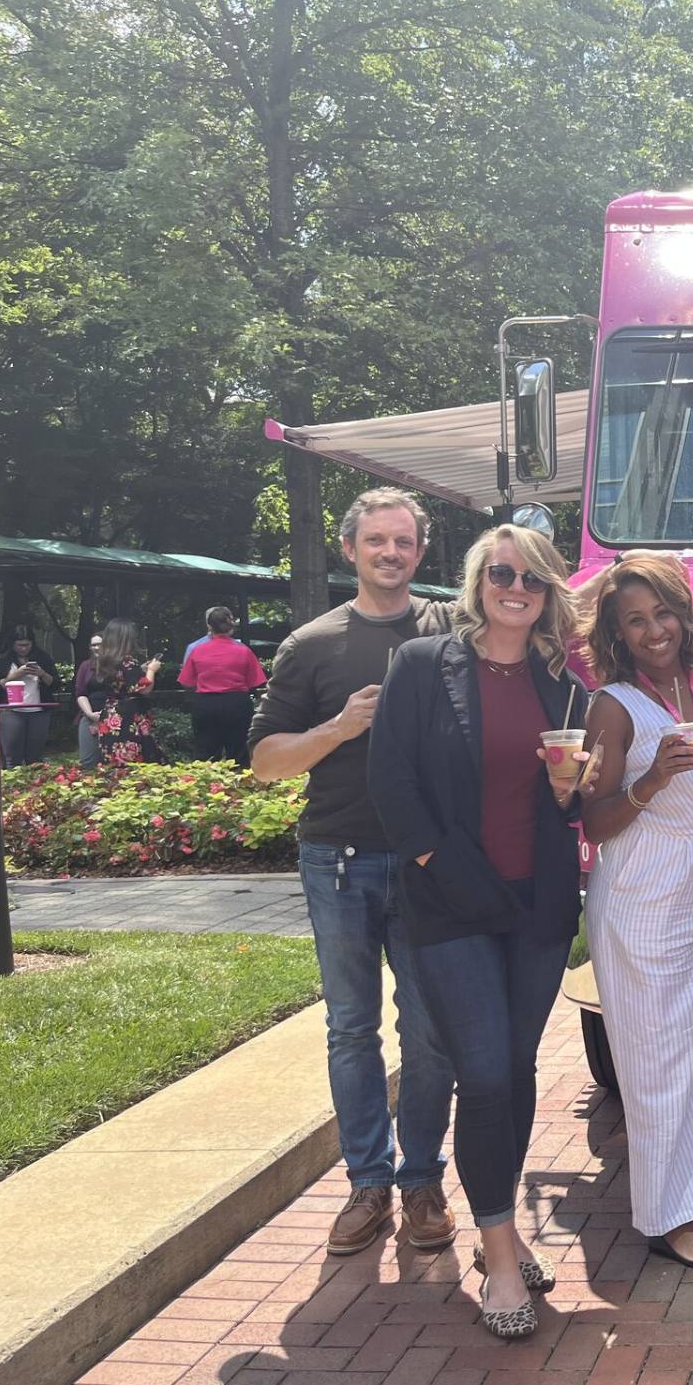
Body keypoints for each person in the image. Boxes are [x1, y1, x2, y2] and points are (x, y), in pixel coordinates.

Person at [368, 523, 595, 1340]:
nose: (517, 588)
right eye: (503, 573)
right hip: (451, 900)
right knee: (486, 1073)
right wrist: (435, 857)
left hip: (536, 905)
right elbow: (390, 780)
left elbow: (566, 807)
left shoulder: (563, 686)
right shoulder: (425, 666)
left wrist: (571, 790)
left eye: (533, 578)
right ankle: (500, 1256)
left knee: (520, 1068)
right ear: (478, 581)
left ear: (548, 594)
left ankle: (503, 1223)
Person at [249, 489, 456, 1261]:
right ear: (350, 549)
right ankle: (368, 1182)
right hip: (338, 858)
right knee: (350, 1027)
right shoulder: (312, 644)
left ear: (420, 550)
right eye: (378, 541)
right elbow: (266, 763)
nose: (392, 554)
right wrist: (340, 727)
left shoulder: (445, 628)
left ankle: (422, 1180)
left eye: (404, 542)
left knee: (431, 1033)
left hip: (426, 861)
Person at [576, 552, 693, 1272]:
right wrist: (650, 780)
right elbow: (594, 822)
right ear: (617, 635)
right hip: (646, 897)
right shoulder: (613, 706)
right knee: (660, 1062)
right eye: (635, 620)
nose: (654, 630)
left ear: (684, 613)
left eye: (663, 612)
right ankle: (669, 1216)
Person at [178, 607, 268, 765]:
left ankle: (206, 786)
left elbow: (186, 681)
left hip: (205, 704)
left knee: (205, 753)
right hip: (236, 703)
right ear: (231, 626)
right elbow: (256, 681)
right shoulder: (244, 651)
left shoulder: (197, 651)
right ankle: (240, 786)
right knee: (240, 751)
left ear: (209, 627)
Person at [92, 621, 163, 766]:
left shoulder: (104, 660)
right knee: (137, 760)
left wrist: (139, 670)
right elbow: (144, 688)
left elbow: (121, 681)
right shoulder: (127, 661)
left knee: (113, 759)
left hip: (111, 713)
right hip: (130, 715)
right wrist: (151, 670)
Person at [0, 628, 60, 768]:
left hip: (38, 711)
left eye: (27, 645)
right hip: (10, 712)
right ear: (12, 644)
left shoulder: (43, 658)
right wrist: (14, 676)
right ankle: (13, 786)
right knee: (12, 757)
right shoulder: (0, 660)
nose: (23, 648)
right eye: (19, 645)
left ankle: (34, 786)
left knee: (36, 757)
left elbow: (55, 684)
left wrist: (42, 673)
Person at [74, 633, 105, 769]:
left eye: (100, 644)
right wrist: (90, 714)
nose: (97, 648)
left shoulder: (117, 666)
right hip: (90, 715)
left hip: (114, 716)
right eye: (94, 645)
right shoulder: (85, 666)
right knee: (88, 761)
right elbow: (80, 693)